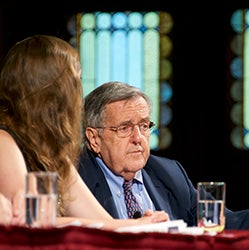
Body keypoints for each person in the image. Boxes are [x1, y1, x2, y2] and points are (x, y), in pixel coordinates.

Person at [78, 81, 249, 232]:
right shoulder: (77, 179)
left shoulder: (169, 173)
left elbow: (223, 226)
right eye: (124, 128)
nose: (138, 138)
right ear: (94, 138)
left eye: (144, 126)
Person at [0, 35, 169, 230]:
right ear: (52, 89)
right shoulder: (5, 142)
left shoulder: (50, 149)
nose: (78, 90)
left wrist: (141, 225)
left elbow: (102, 220)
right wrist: (134, 225)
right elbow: (32, 222)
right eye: (75, 78)